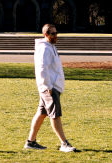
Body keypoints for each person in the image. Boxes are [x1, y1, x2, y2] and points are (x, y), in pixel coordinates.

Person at [24, 24, 77, 153]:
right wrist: (48, 87)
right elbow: (42, 69)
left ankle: (30, 142)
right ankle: (64, 143)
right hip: (49, 88)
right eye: (52, 34)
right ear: (46, 35)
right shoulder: (45, 49)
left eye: (56, 33)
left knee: (42, 113)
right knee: (55, 115)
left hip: (51, 86)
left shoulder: (51, 47)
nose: (55, 36)